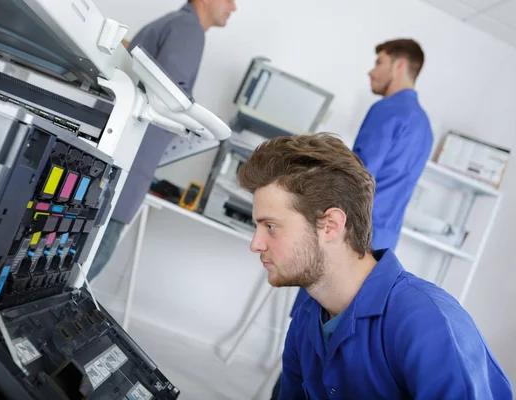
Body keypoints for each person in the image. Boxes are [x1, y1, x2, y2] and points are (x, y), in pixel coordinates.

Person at [238, 133, 512, 399]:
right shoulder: (306, 319)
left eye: (270, 226)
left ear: (331, 225)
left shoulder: (425, 320)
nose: (256, 244)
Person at [280, 40, 435, 393]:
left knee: (307, 344)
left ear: (399, 66)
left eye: (378, 61)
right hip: (376, 258)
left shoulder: (388, 110)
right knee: (341, 353)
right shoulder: (424, 127)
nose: (371, 70)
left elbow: (351, 177)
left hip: (343, 243)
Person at [86, 0, 236, 281]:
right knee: (89, 262)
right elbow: (171, 101)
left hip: (117, 157)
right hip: (127, 165)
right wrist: (202, 129)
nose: (234, 7)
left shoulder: (173, 23)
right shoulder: (188, 29)